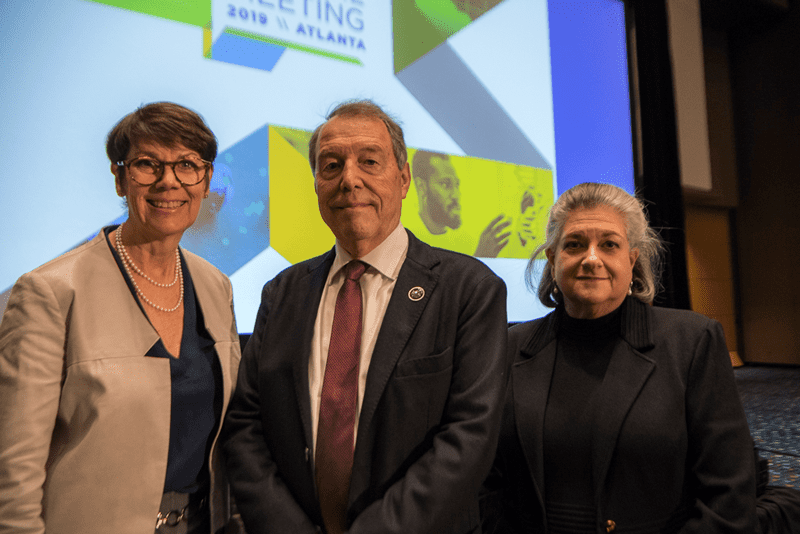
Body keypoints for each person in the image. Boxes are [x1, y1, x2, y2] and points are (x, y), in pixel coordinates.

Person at [222, 100, 509, 534]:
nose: (349, 179)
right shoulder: (282, 294)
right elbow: (246, 428)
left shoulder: (468, 290)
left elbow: (470, 436)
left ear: (405, 178)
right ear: (316, 183)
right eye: (331, 165)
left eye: (369, 162)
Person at [0, 102, 242, 534]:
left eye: (187, 165)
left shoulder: (215, 287)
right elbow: (14, 468)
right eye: (147, 165)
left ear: (205, 181)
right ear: (119, 178)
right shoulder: (51, 291)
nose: (169, 181)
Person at [484, 182, 757, 533]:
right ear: (553, 260)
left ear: (632, 258)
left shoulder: (692, 342)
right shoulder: (509, 347)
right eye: (575, 244)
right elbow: (486, 479)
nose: (591, 258)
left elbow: (730, 491)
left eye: (609, 244)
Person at [412, 149, 511, 257]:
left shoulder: (459, 240)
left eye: (456, 185)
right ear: (422, 187)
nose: (456, 195)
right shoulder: (407, 240)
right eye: (445, 184)